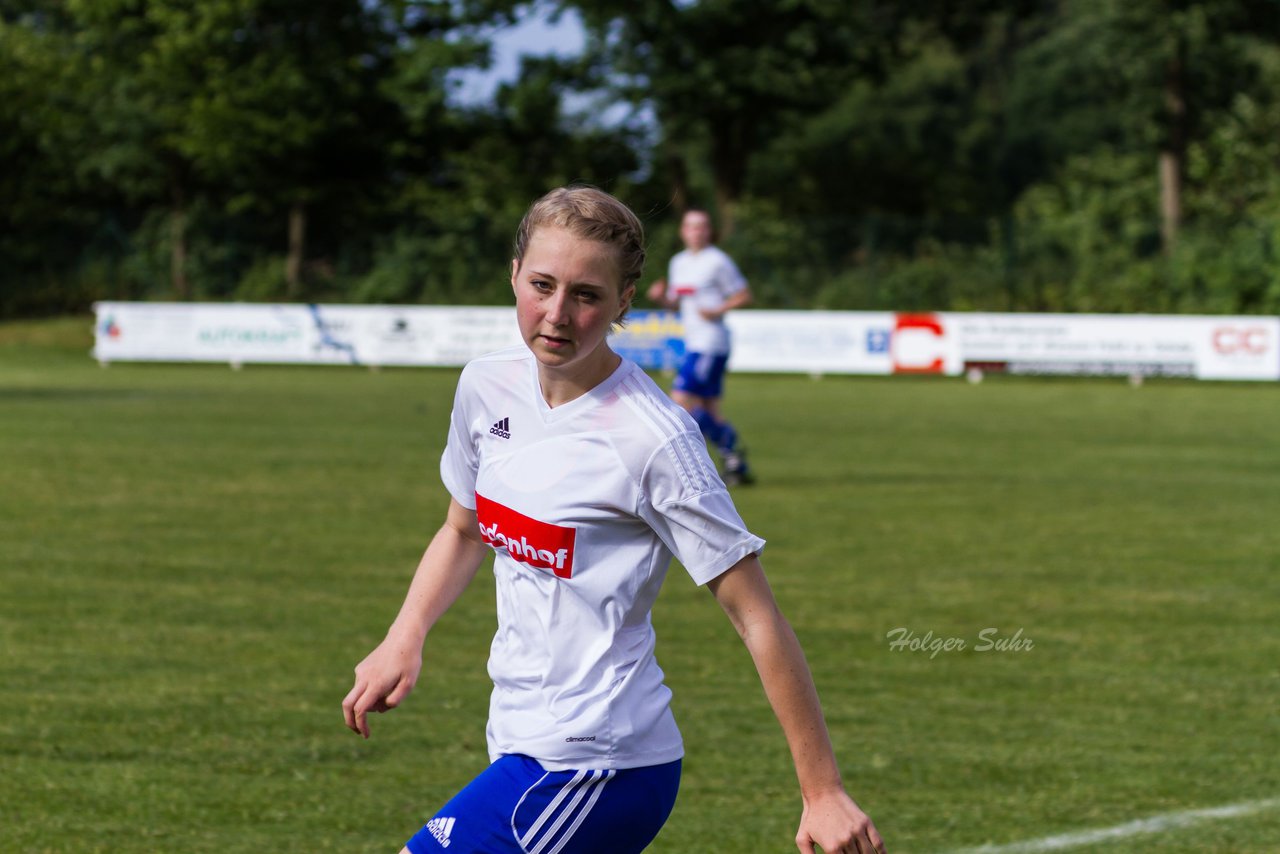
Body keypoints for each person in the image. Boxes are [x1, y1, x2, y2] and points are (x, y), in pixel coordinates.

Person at [342, 185, 886, 854]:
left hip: (598, 761)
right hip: (518, 739)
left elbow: (755, 615)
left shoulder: (654, 438)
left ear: (625, 300)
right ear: (513, 273)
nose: (557, 314)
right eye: (541, 284)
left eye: (587, 295)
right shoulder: (486, 386)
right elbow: (464, 527)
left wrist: (822, 792)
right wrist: (405, 636)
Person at [646, 208, 754, 485]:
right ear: (683, 231)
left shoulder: (718, 261)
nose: (697, 231)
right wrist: (660, 298)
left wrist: (718, 309)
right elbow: (675, 303)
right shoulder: (678, 262)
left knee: (680, 402)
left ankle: (721, 456)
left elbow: (744, 295)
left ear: (709, 231)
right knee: (710, 410)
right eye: (691, 226)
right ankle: (734, 460)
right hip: (694, 341)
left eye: (702, 226)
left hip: (711, 343)